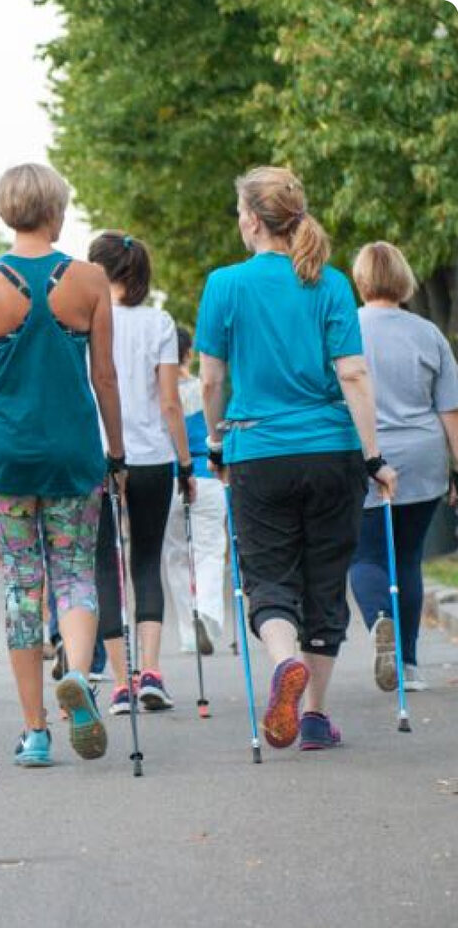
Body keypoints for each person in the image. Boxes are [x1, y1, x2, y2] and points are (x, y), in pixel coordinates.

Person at [197, 165, 396, 751]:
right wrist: (373, 457)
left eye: (240, 212)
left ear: (254, 221)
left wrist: (214, 442)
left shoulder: (224, 285)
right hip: (332, 449)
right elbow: (353, 374)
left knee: (269, 576)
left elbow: (211, 380)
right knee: (324, 581)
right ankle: (313, 717)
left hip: (258, 452)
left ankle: (284, 660)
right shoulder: (331, 283)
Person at [0, 163, 125, 767]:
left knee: (22, 583)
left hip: (3, 452)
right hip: (73, 449)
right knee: (74, 571)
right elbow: (104, 376)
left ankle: (36, 732)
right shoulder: (91, 280)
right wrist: (117, 454)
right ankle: (75, 672)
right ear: (57, 210)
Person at [85, 231, 194, 715]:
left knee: (104, 567)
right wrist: (187, 463)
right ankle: (152, 672)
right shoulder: (160, 323)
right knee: (147, 561)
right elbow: (170, 402)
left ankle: (121, 681)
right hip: (151, 456)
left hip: (98, 455)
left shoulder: (84, 320)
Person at [347, 241, 458, 693]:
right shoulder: (427, 333)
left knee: (366, 554)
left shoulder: (344, 329)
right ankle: (408, 664)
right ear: (404, 278)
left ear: (360, 279)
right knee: (408, 558)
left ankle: (379, 622)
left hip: (366, 456)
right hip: (423, 458)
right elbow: (450, 410)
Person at [160, 327, 229, 656]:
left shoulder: (158, 394)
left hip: (169, 478)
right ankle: (209, 616)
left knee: (175, 556)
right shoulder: (204, 390)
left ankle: (188, 632)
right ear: (188, 354)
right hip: (208, 474)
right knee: (210, 550)